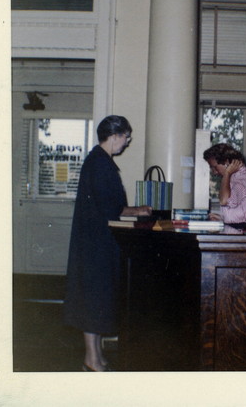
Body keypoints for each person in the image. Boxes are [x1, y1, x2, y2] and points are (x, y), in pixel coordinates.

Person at [64, 115, 152, 372]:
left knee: (96, 298)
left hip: (95, 241)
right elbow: (112, 207)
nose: (126, 143)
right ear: (114, 136)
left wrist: (134, 210)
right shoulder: (101, 164)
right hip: (96, 243)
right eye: (126, 137)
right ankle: (91, 359)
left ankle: (97, 355)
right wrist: (138, 210)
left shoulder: (99, 161)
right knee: (94, 300)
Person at [203, 143, 246, 230]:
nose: (214, 172)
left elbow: (225, 200)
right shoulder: (234, 178)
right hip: (237, 227)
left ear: (226, 162)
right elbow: (236, 209)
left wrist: (227, 173)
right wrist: (222, 218)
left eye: (215, 167)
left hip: (242, 229)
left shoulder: (245, 178)